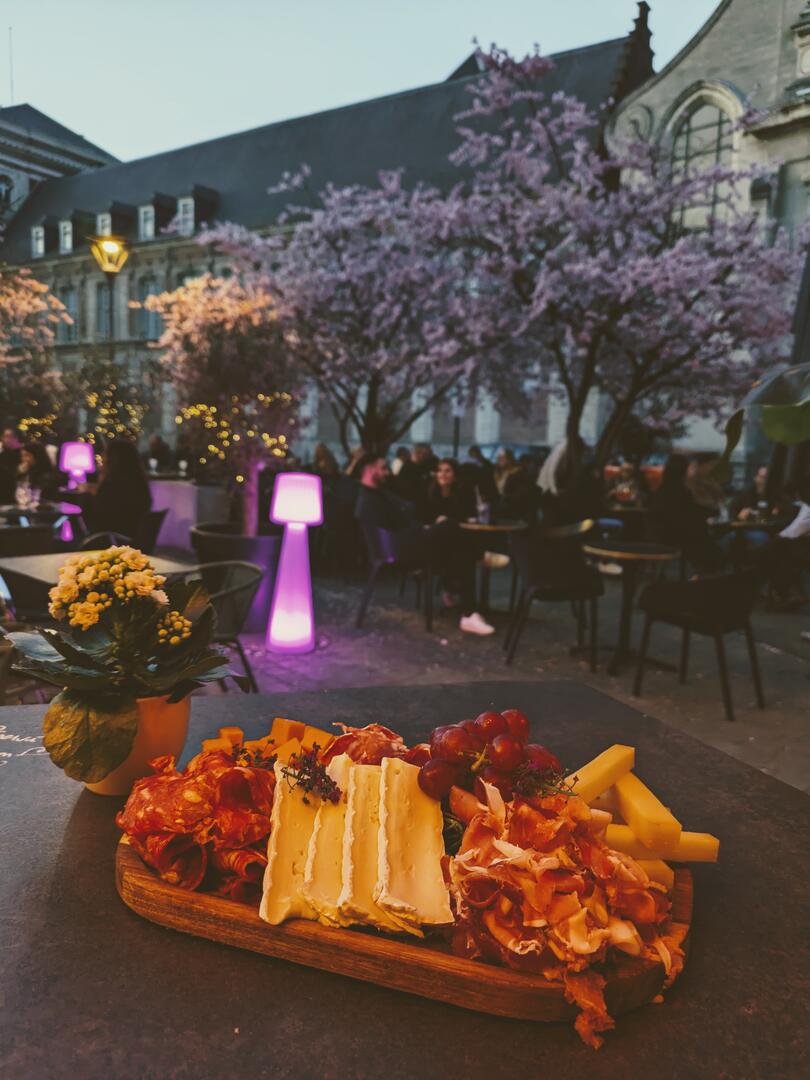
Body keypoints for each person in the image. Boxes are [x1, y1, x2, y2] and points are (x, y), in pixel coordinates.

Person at [354, 453, 494, 635]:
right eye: (383, 468)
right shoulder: (368, 501)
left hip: (407, 541)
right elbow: (388, 535)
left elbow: (398, 523)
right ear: (371, 470)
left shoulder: (376, 494)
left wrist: (425, 528)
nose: (387, 472)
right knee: (452, 528)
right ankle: (469, 605)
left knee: (458, 548)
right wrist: (423, 530)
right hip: (400, 549)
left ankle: (468, 611)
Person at [649, 455, 725, 573]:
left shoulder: (663, 489)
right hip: (676, 538)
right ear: (683, 471)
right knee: (710, 546)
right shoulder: (681, 491)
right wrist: (712, 512)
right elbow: (692, 512)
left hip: (662, 535)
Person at [85, 439, 152, 540]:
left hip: (108, 540)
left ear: (113, 459)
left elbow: (98, 518)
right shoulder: (138, 484)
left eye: (105, 453)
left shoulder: (111, 485)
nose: (102, 456)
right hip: (127, 539)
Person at [424, 458, 476, 524]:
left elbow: (465, 516)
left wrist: (449, 520)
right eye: (440, 471)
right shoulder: (428, 492)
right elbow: (423, 517)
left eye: (447, 471)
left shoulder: (463, 494)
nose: (443, 474)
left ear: (455, 476)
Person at [0, 426, 22, 503]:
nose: (6, 440)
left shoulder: (22, 453)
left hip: (18, 491)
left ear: (16, 438)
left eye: (9, 437)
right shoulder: (2, 454)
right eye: (4, 436)